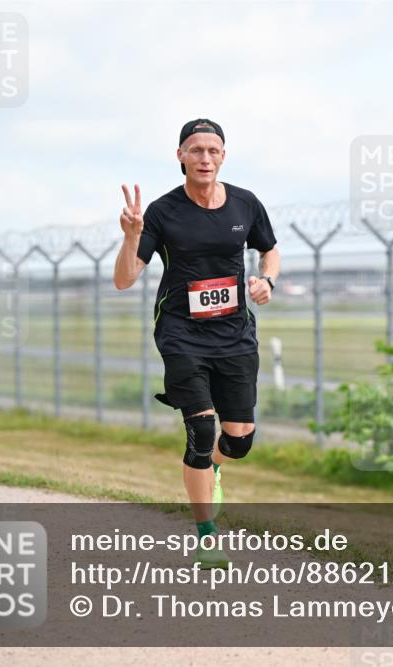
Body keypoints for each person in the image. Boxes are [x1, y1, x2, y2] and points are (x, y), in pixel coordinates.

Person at [113, 118, 280, 568]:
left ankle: (214, 468)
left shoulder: (245, 203)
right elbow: (124, 279)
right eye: (196, 150)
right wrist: (131, 237)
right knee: (202, 431)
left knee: (239, 440)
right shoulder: (163, 212)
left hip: (236, 335)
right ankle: (207, 535)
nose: (205, 157)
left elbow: (270, 250)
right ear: (181, 156)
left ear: (223, 156)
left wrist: (266, 280)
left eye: (213, 150)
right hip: (182, 334)